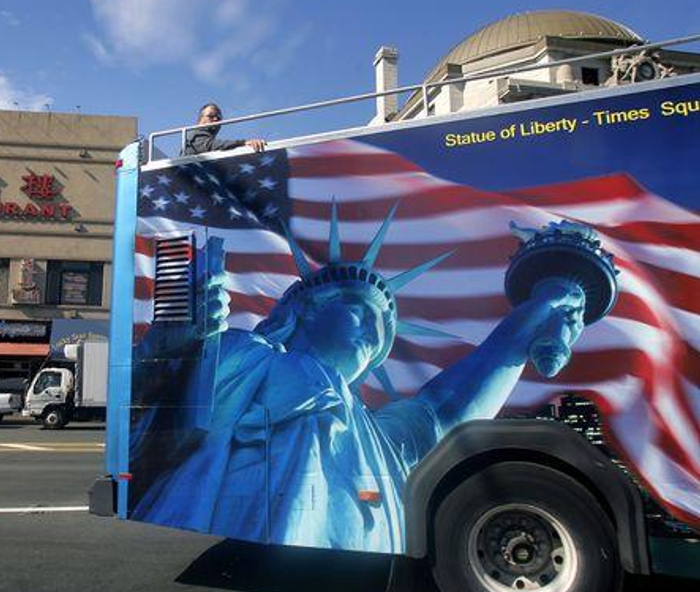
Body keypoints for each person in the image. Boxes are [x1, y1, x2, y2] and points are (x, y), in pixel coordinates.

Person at [129, 212, 612, 554]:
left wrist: (540, 308)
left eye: (383, 332)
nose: (373, 333)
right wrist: (170, 346)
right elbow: (153, 416)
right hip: (238, 532)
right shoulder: (245, 356)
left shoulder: (380, 434)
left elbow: (451, 408)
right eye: (361, 311)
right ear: (299, 313)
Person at [181, 103, 266, 156]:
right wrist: (244, 143)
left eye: (218, 118)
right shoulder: (193, 133)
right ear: (199, 120)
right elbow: (211, 145)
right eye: (211, 116)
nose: (215, 119)